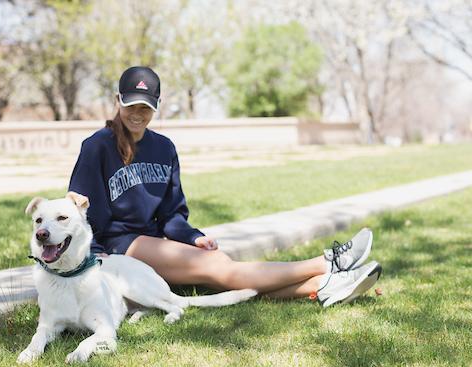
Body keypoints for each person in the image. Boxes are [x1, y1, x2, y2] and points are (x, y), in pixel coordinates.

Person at [68, 66, 382, 307]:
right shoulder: (97, 147)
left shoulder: (164, 148)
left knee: (222, 274)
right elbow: (79, 211)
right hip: (116, 247)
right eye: (131, 105)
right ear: (118, 101)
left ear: (156, 105)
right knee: (218, 266)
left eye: (145, 107)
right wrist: (95, 257)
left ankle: (322, 285)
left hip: (151, 242)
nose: (138, 114)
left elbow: (171, 215)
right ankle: (327, 262)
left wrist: (192, 236)